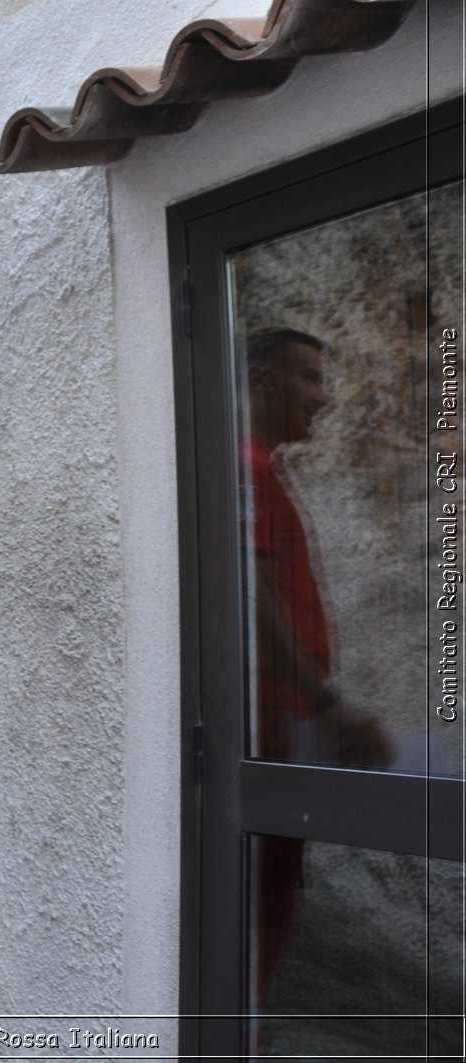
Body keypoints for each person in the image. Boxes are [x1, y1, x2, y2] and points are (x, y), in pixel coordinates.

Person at [241, 326, 389, 1008]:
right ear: (266, 377)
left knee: (270, 899)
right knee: (262, 904)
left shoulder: (260, 469)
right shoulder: (245, 468)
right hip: (268, 732)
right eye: (309, 378)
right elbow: (253, 592)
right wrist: (325, 701)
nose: (323, 399)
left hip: (282, 729)